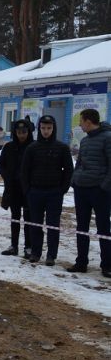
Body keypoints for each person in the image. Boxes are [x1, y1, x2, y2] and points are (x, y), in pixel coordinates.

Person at [20, 114, 73, 266]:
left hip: (54, 193)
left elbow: (69, 170)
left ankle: (51, 255)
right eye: (43, 128)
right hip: (35, 192)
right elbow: (24, 171)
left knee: (52, 225)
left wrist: (62, 189)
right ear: (39, 129)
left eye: (49, 128)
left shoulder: (62, 148)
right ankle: (35, 253)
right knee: (35, 224)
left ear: (53, 129)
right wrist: (28, 190)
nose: (46, 131)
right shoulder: (32, 148)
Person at [67, 108, 111, 276]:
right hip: (81, 189)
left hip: (100, 191)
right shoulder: (84, 141)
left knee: (103, 228)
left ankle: (107, 265)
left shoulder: (107, 138)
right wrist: (74, 180)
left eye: (81, 121)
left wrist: (104, 187)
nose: (79, 124)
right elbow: (79, 163)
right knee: (82, 227)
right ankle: (81, 262)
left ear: (88, 121)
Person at [0, 120, 34, 257]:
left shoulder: (33, 147)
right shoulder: (9, 147)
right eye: (19, 132)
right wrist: (8, 177)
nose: (21, 135)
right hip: (13, 188)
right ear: (15, 133)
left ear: (28, 132)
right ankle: (14, 245)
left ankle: (29, 247)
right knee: (15, 217)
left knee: (29, 218)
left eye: (24, 132)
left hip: (28, 189)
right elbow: (1, 164)